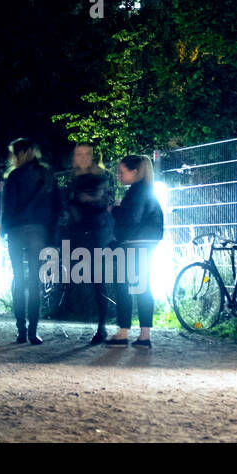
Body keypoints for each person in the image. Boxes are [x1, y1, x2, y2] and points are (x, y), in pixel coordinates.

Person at [0, 138, 61, 344]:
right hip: (38, 230)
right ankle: (34, 331)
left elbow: (8, 206)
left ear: (19, 154)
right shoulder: (47, 173)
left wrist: (2, 231)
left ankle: (21, 331)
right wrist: (52, 234)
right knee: (35, 281)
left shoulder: (15, 176)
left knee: (18, 279)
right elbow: (55, 206)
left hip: (16, 230)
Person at [105, 154, 165, 347]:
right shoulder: (148, 190)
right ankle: (144, 335)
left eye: (122, 172)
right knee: (143, 286)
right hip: (148, 241)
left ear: (135, 172)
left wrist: (114, 209)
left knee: (123, 286)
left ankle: (123, 332)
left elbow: (131, 219)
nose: (118, 175)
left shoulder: (136, 191)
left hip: (134, 241)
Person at [66, 143, 114, 344]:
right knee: (78, 275)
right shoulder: (75, 178)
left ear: (94, 156)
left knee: (97, 279)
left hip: (97, 231)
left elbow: (108, 201)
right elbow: (71, 203)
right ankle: (84, 315)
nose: (83, 158)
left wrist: (90, 199)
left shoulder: (104, 176)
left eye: (87, 154)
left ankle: (102, 326)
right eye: (79, 154)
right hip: (78, 231)